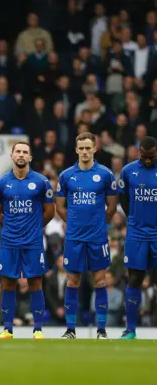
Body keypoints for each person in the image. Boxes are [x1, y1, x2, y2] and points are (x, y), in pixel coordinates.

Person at [55, 132, 117, 340]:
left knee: (100, 281)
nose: (84, 152)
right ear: (76, 150)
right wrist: (72, 222)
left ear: (94, 149)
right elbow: (60, 207)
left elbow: (112, 206)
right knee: (72, 281)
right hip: (74, 237)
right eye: (81, 148)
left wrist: (100, 224)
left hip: (97, 237)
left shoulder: (106, 174)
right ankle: (71, 330)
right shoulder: (66, 176)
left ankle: (101, 330)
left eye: (87, 148)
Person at [0, 142, 55, 339]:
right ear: (12, 156)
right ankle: (8, 329)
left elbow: (49, 212)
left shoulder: (42, 182)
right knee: (8, 284)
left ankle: (37, 329)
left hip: (33, 242)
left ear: (30, 158)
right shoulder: (1, 183)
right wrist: (11, 227)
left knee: (35, 283)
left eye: (25, 152)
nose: (21, 155)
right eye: (17, 151)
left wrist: (33, 227)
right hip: (9, 242)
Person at [117, 136, 157, 339]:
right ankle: (130, 329)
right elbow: (123, 199)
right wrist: (134, 218)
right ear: (139, 151)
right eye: (144, 156)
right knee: (134, 278)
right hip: (137, 232)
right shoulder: (128, 171)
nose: (148, 160)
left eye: (151, 156)